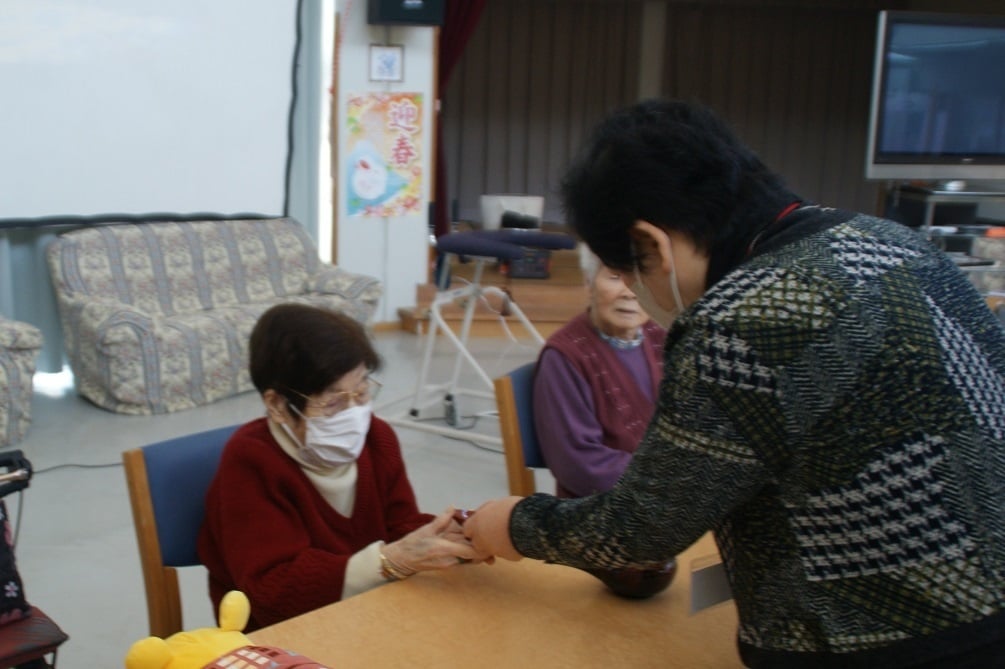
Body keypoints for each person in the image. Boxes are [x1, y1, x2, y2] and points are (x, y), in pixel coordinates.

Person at [462, 99, 1005, 667]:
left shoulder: (742, 319)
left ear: (652, 243)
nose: (631, 291)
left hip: (887, 639)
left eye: (628, 270)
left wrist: (516, 523)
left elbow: (642, 529)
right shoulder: (900, 245)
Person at [198, 303, 477, 631]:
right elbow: (273, 592)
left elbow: (400, 525)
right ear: (276, 405)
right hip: (280, 638)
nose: (354, 413)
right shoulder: (251, 463)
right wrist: (389, 562)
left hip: (367, 616)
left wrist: (450, 534)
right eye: (332, 402)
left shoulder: (376, 438)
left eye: (361, 391)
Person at [533, 244, 665, 497]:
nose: (630, 292)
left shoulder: (663, 338)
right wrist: (668, 482)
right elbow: (578, 464)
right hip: (605, 512)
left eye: (642, 279)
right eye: (616, 277)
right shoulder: (564, 358)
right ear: (588, 282)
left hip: (673, 504)